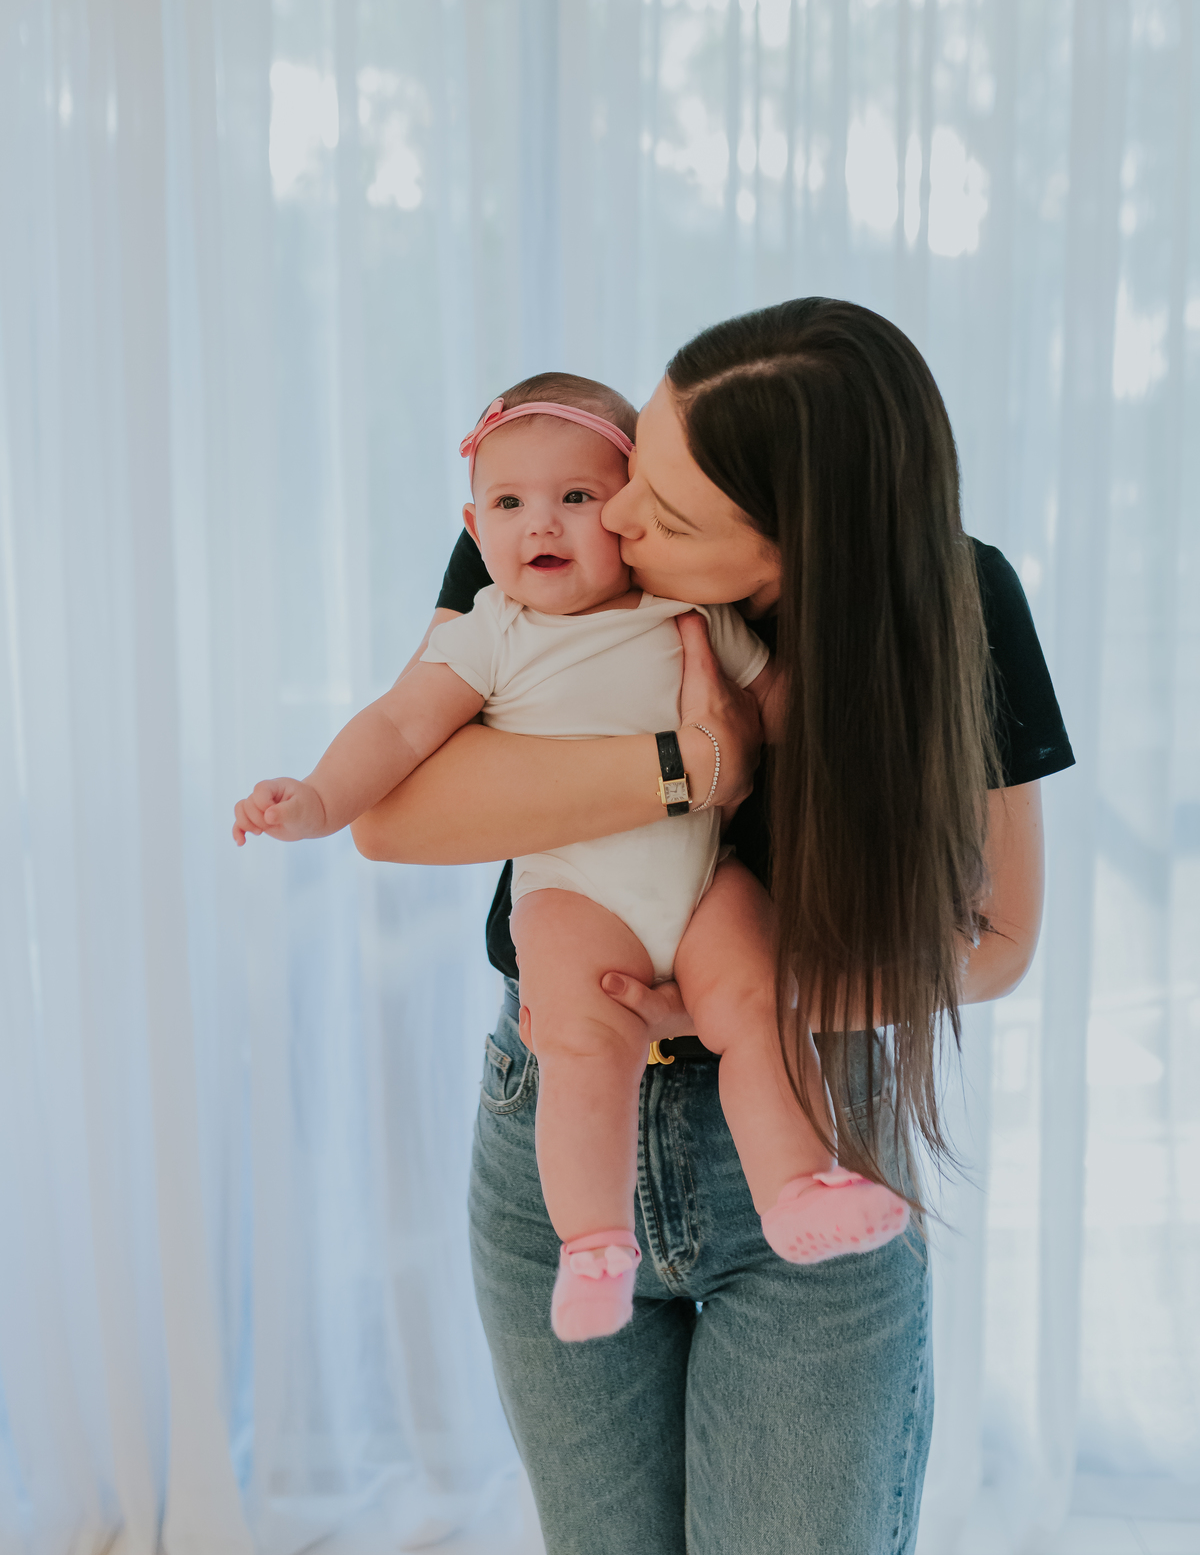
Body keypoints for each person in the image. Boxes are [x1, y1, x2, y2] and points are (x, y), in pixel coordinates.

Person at [352, 299, 1075, 1555]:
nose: (620, 517)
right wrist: (692, 766)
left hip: (798, 1127)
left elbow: (999, 938)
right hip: (561, 1127)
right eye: (642, 462)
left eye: (671, 516)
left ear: (793, 555)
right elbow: (394, 815)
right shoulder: (552, 518)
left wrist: (740, 1004)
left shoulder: (956, 600)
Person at [232, 369, 910, 1345]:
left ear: (634, 514)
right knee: (585, 1044)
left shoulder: (686, 610)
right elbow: (398, 729)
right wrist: (316, 799)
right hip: (575, 891)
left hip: (702, 878)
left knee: (759, 1006)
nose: (540, 524)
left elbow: (782, 713)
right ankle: (594, 1245)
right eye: (509, 504)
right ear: (474, 527)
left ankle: (798, 1187)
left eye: (577, 497)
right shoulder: (491, 634)